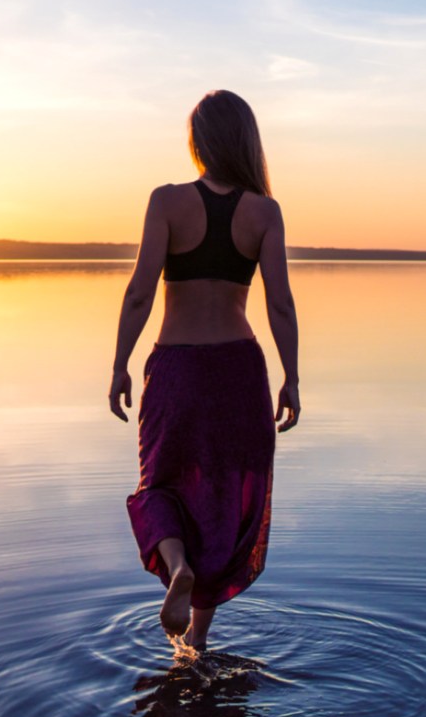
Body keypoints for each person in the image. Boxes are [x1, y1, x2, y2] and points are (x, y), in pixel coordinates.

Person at [109, 89, 300, 651]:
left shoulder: (167, 202)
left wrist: (120, 364)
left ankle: (176, 566)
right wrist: (290, 377)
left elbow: (141, 291)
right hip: (240, 372)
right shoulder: (264, 212)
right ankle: (196, 638)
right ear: (245, 140)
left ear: (198, 142)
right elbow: (281, 303)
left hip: (177, 369)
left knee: (160, 484)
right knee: (223, 499)